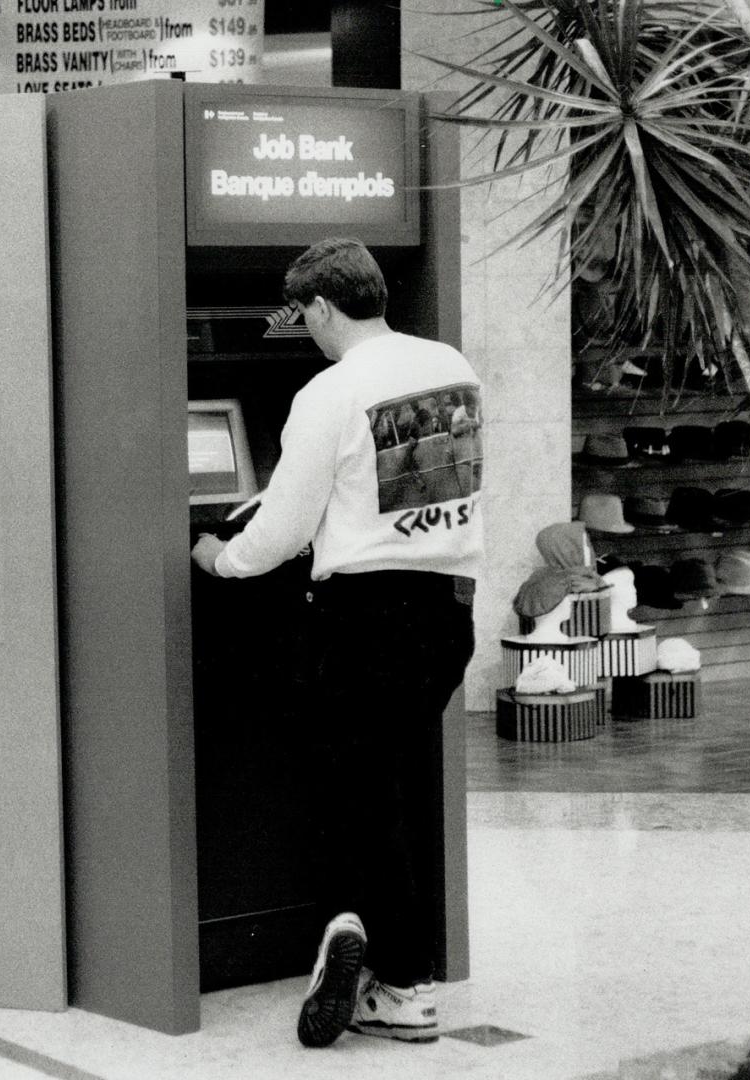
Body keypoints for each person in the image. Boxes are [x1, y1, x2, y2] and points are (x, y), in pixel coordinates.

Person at [191, 239, 481, 1047]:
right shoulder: (449, 365)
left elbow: (278, 530)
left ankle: (399, 979)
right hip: (443, 610)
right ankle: (381, 946)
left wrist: (221, 555)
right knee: (394, 787)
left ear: (319, 309)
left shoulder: (330, 391)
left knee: (359, 799)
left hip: (363, 619)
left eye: (305, 315)